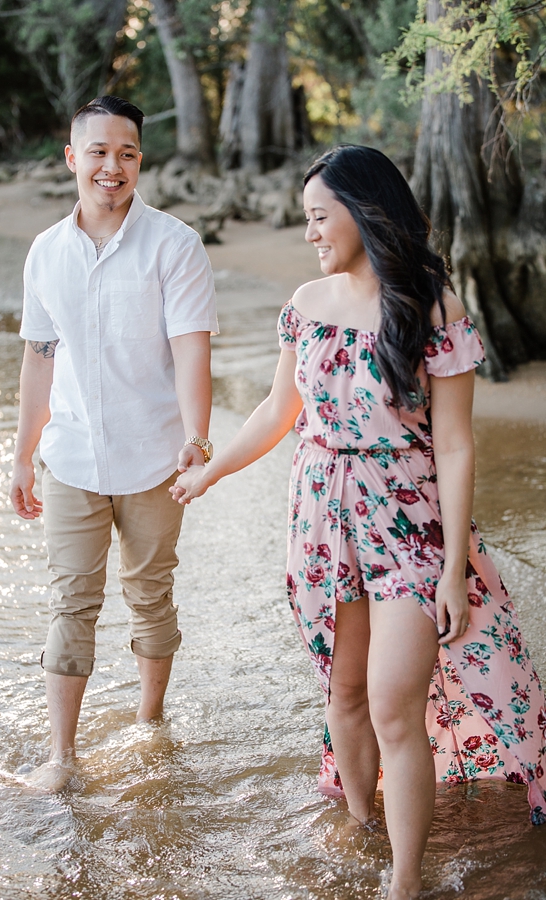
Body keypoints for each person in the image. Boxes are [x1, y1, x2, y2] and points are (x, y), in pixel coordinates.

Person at [170, 146, 546, 899]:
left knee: (391, 706)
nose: (309, 232)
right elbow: (280, 411)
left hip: (410, 526)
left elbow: (458, 444)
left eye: (318, 216)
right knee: (342, 696)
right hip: (319, 518)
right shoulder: (305, 304)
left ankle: (405, 882)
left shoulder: (433, 305)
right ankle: (361, 832)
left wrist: (451, 571)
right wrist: (211, 469)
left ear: (364, 212)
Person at [9, 96, 218, 791]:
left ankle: (149, 721)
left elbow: (192, 351)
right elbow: (41, 356)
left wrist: (197, 435)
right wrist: (21, 454)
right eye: (98, 151)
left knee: (151, 595)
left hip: (156, 457)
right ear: (72, 158)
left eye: (126, 153)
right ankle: (61, 756)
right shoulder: (46, 252)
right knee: (72, 600)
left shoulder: (174, 244)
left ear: (139, 161)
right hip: (70, 457)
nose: (112, 166)